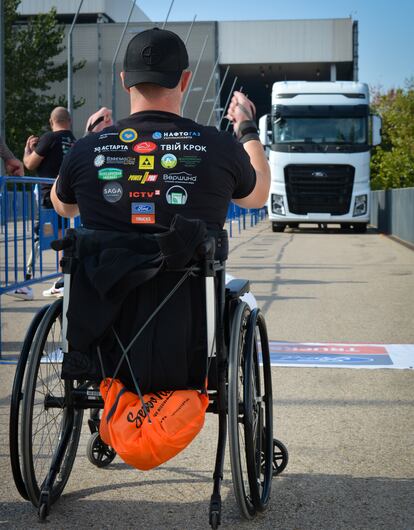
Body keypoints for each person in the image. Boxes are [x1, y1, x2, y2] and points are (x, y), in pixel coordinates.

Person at [51, 27, 270, 233]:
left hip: (104, 274)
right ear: (184, 81)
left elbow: (64, 207)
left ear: (124, 81)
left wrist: (92, 139)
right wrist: (246, 127)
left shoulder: (85, 150)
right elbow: (258, 196)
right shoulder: (220, 147)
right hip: (189, 275)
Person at [22, 106, 76, 299]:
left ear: (51, 122)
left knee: (40, 236)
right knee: (62, 235)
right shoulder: (73, 141)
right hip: (67, 196)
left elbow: (29, 164)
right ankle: (63, 279)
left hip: (47, 197)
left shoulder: (49, 138)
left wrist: (28, 149)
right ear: (69, 121)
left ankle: (26, 282)